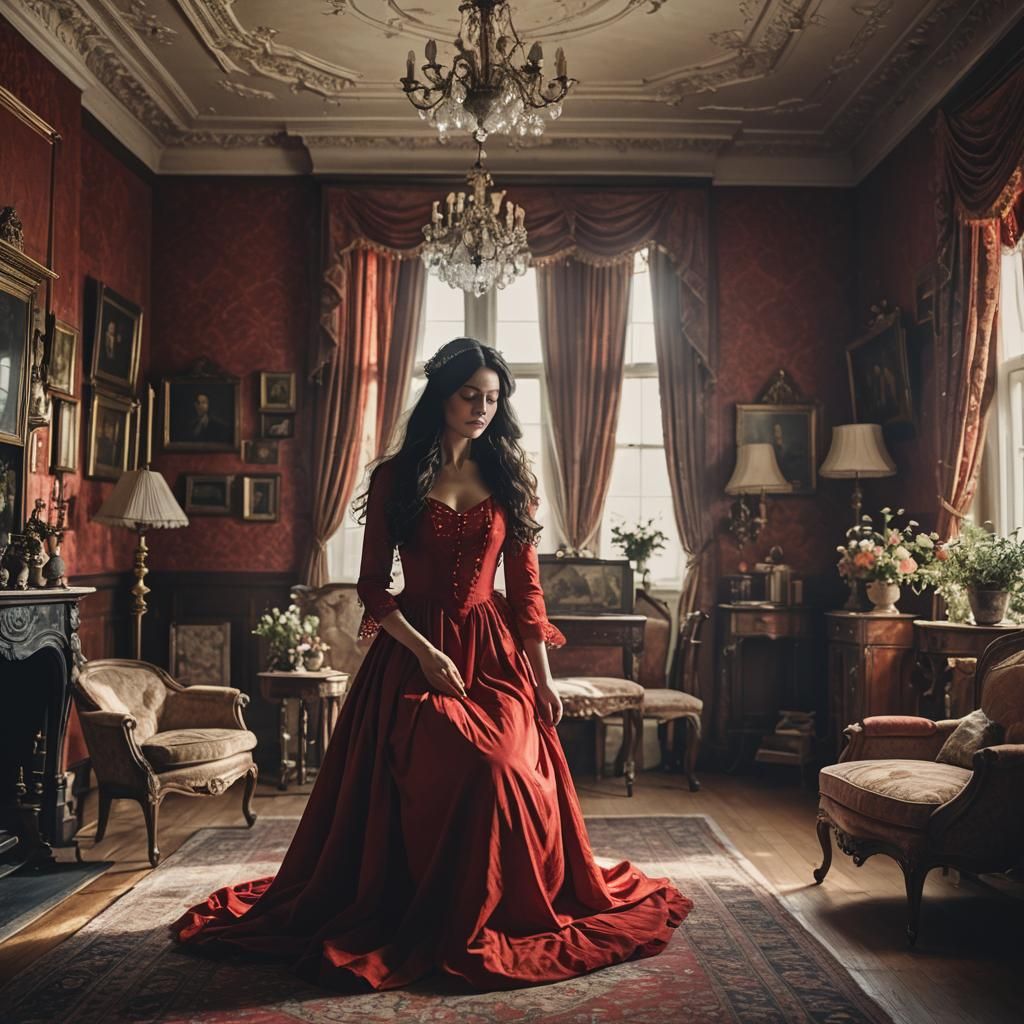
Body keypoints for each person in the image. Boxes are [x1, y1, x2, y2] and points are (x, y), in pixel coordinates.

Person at [170, 337, 691, 991]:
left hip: (495, 654)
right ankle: (432, 903)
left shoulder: (509, 475)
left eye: (493, 397)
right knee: (457, 760)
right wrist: (425, 651)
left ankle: (497, 907)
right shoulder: (397, 475)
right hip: (414, 651)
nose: (482, 407)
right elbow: (371, 586)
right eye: (470, 394)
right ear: (442, 396)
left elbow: (527, 591)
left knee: (502, 764)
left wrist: (544, 678)